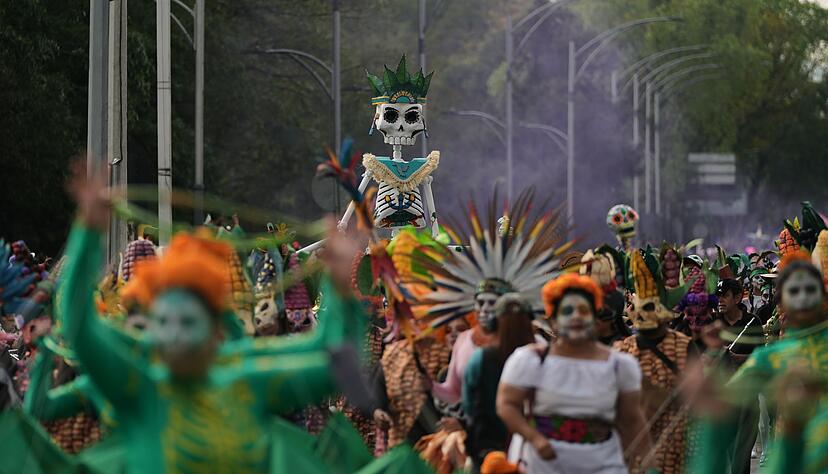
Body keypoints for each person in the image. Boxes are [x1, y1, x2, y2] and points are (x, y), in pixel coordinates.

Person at [58, 167, 370, 473]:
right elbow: (79, 327)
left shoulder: (247, 383)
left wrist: (341, 288)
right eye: (162, 323)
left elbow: (337, 362)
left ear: (215, 330)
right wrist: (87, 231)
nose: (174, 335)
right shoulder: (139, 387)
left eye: (188, 322)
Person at [497, 273, 653, 474]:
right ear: (553, 321)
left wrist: (650, 466)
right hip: (542, 464)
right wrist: (534, 438)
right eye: (567, 311)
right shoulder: (530, 360)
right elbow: (506, 404)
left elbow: (632, 420)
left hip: (603, 463)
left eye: (583, 310)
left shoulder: (620, 365)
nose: (576, 316)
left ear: (595, 318)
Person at [690, 252, 828, 474]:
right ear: (782, 300)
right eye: (794, 291)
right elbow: (723, 413)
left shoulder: (755, 328)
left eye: (810, 290)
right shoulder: (770, 357)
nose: (802, 298)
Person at [615, 251, 699, 474]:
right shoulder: (622, 351)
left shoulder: (685, 346)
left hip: (677, 444)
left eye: (650, 308)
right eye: (640, 308)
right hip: (635, 447)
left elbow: (699, 397)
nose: (644, 315)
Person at [463, 293, 535, 472]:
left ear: (495, 323)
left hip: (490, 451)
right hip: (533, 448)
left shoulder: (480, 358)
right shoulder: (542, 355)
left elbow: (469, 405)